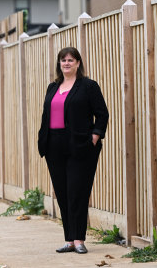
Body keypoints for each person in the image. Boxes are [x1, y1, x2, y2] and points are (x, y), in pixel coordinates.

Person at [37, 46, 109, 254]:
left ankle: (79, 240)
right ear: (59, 64)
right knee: (62, 193)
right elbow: (46, 116)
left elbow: (102, 114)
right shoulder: (53, 87)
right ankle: (69, 239)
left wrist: (94, 138)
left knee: (77, 192)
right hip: (54, 146)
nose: (66, 63)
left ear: (78, 63)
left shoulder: (88, 86)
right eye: (63, 60)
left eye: (71, 60)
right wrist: (43, 140)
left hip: (80, 146)